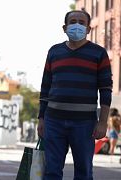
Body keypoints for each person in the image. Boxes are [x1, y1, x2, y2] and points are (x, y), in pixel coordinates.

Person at [37, 10, 113, 179]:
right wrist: (41, 118)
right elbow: (45, 87)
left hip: (84, 123)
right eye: (72, 22)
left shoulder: (99, 53)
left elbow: (106, 89)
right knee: (51, 172)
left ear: (88, 29)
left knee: (84, 172)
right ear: (65, 28)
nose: (77, 25)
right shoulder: (54, 52)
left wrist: (102, 122)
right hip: (53, 121)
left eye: (81, 22)